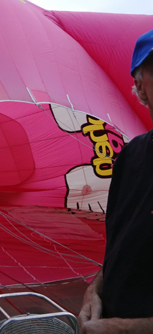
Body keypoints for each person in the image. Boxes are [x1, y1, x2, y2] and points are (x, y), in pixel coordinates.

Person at [78, 30, 153, 333]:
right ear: (141, 88)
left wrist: (130, 328)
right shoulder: (130, 157)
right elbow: (123, 246)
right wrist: (96, 288)